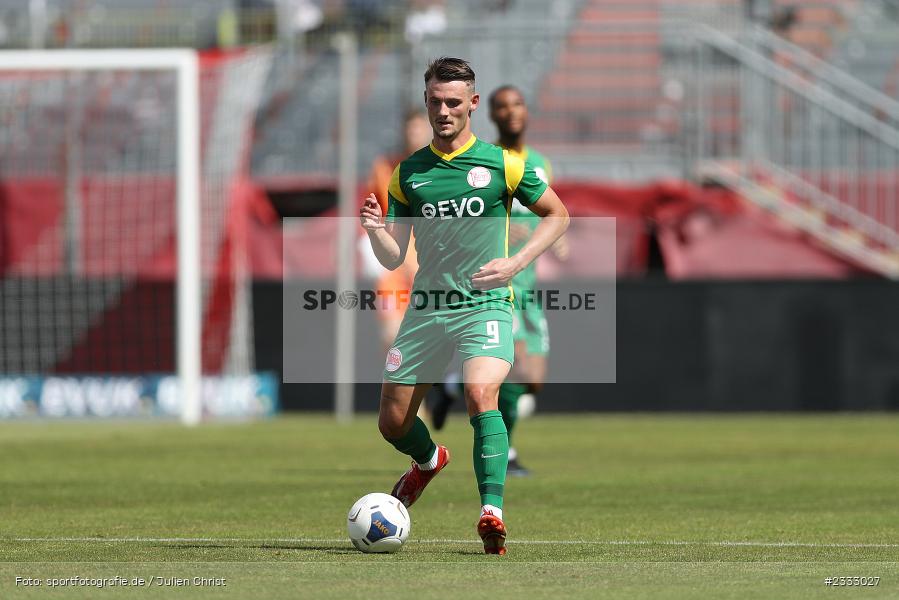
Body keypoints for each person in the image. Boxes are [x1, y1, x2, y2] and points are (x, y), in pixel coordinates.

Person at [359, 57, 569, 555]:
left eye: (454, 102)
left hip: (486, 303)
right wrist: (374, 232)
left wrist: (515, 263)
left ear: (473, 103)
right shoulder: (407, 173)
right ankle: (429, 461)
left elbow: (557, 215)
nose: (444, 111)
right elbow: (395, 254)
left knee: (481, 394)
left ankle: (491, 511)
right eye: (435, 101)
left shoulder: (504, 164)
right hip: (428, 309)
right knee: (392, 423)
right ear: (426, 102)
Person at [430, 84, 568, 477]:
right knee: (518, 370)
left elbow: (551, 213)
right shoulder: (487, 163)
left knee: (534, 380)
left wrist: (558, 239)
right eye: (502, 107)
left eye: (517, 104)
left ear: (527, 110)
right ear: (489, 114)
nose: (511, 112)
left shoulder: (541, 163)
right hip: (495, 288)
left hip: (529, 288)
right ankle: (505, 454)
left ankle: (451, 388)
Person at [365, 109, 432, 355]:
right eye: (410, 128)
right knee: (392, 336)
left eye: (419, 128)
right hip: (394, 266)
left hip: (429, 266)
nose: (414, 134)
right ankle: (405, 392)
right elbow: (371, 212)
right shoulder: (385, 169)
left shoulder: (443, 171)